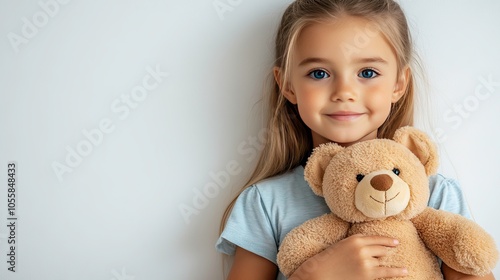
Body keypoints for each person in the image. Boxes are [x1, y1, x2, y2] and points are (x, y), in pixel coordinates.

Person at [216, 0, 496, 279]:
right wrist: (314, 275)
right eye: (319, 73)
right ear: (288, 85)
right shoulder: (266, 202)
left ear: (398, 84)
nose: (344, 91)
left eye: (367, 73)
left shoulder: (434, 193)